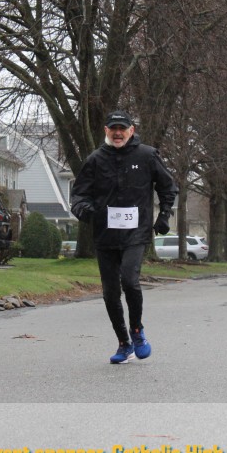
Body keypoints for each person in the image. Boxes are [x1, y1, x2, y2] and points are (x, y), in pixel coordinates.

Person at [70, 110, 178, 363]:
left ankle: (137, 331)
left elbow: (168, 186)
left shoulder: (147, 155)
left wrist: (164, 214)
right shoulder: (95, 160)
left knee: (130, 280)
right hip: (105, 235)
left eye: (122, 128)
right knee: (110, 292)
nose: (117, 133)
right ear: (106, 131)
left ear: (131, 130)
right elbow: (79, 195)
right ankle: (123, 343)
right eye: (113, 129)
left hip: (136, 233)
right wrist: (85, 210)